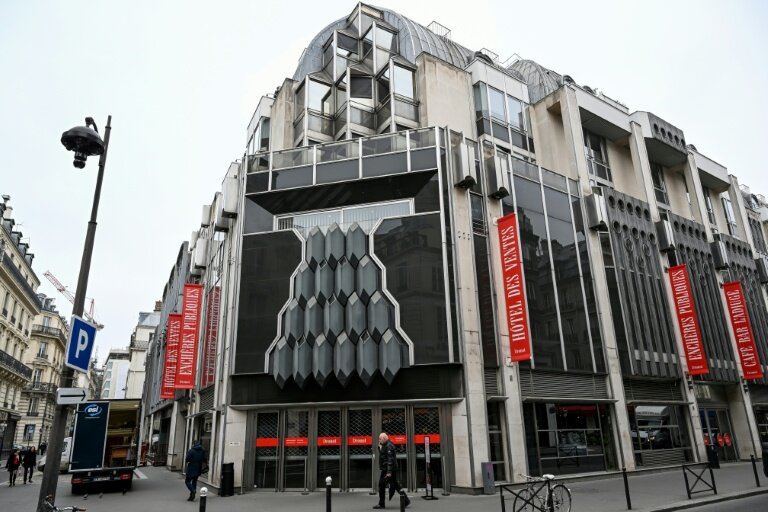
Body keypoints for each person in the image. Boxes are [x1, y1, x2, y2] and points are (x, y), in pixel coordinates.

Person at [373, 433, 410, 509]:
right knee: (395, 485)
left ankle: (381, 504)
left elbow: (390, 460)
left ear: (384, 438)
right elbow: (383, 456)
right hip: (389, 469)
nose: (379, 440)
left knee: (381, 485)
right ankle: (406, 500)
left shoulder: (389, 446)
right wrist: (379, 448)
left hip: (388, 469)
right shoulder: (385, 445)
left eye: (380, 439)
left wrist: (389, 472)